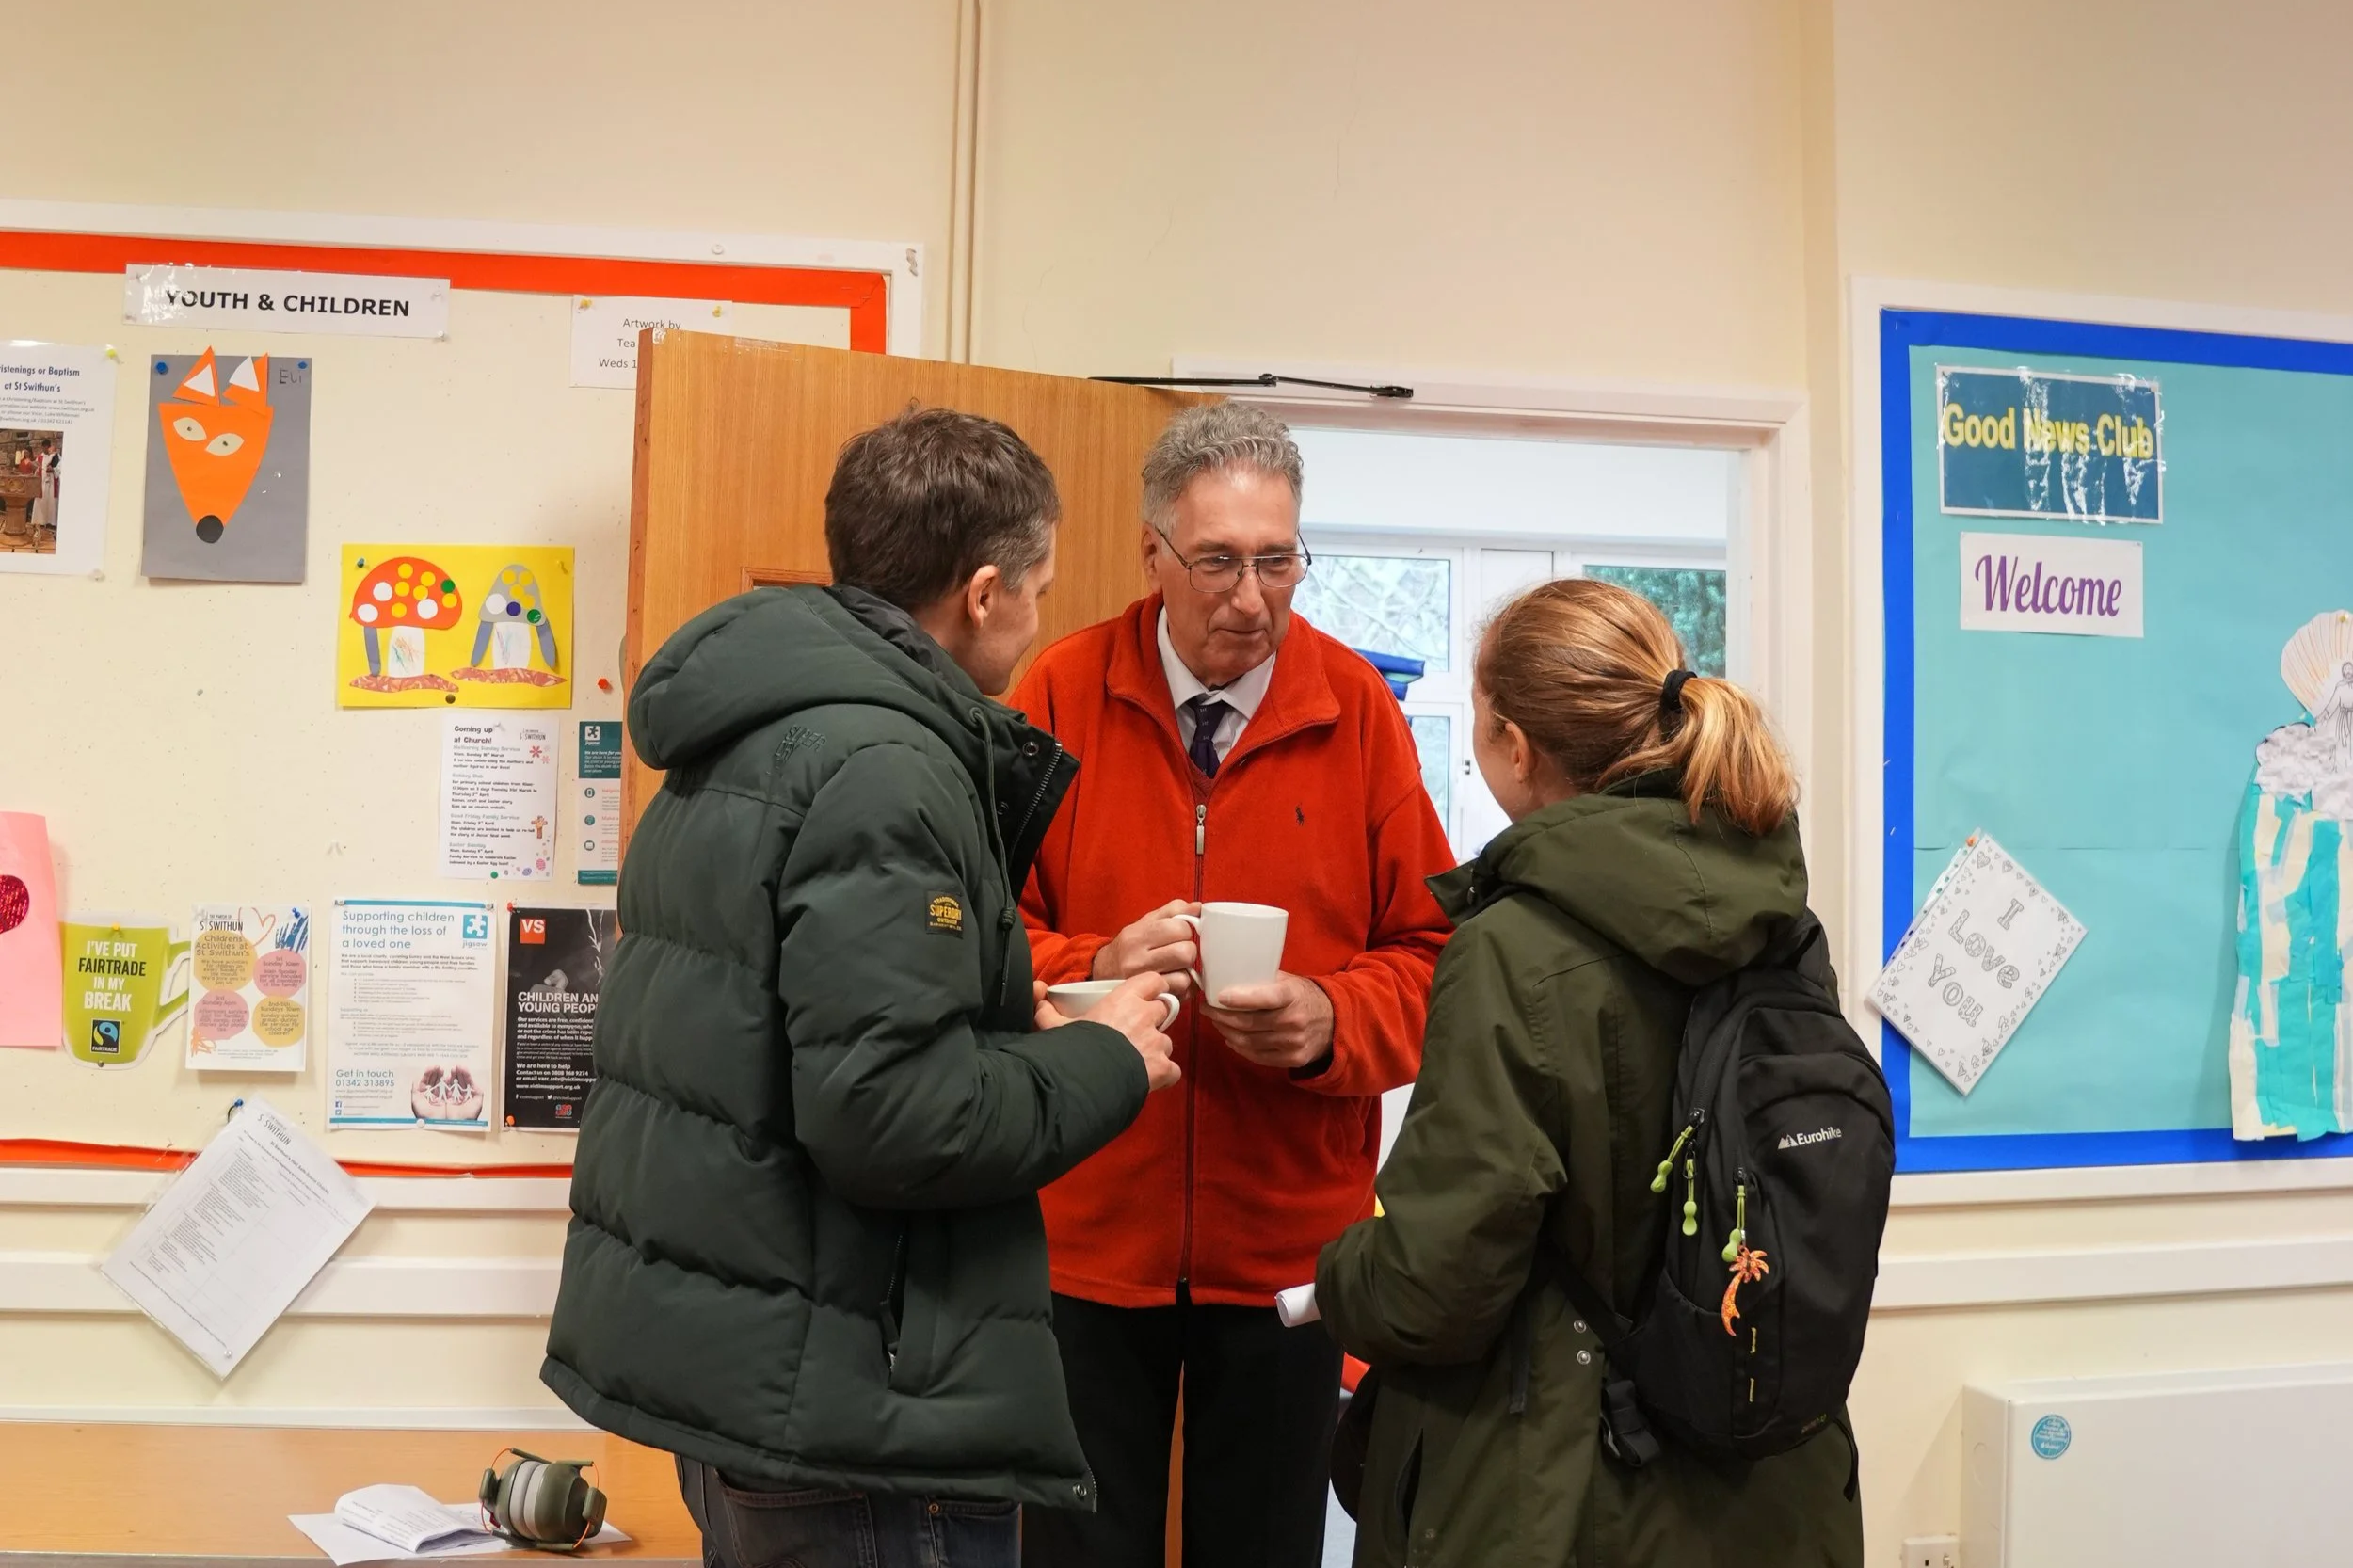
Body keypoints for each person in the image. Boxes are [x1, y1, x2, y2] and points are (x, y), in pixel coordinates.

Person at [543, 408, 1182, 1568]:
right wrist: (1107, 1056)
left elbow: (807, 1046)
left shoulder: (752, 737)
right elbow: (893, 1121)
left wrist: (1007, 1031)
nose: (1040, 622)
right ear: (985, 594)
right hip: (858, 1411)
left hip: (764, 1378)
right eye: (1037, 590)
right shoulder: (888, 768)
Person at [1315, 578, 1864, 1566]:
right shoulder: (1780, 916)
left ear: (1514, 749)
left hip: (1562, 1483)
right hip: (1771, 1476)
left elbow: (1439, 1282)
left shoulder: (1512, 946)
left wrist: (1342, 1270)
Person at [1013, 403, 1455, 1567]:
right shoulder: (1055, 694)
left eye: (1277, 560)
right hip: (1081, 1242)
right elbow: (971, 935)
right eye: (1215, 561)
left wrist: (1327, 1021)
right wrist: (1089, 970)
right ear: (1151, 553)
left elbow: (1431, 955)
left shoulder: (1357, 709)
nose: (1250, 597)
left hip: (1288, 1261)